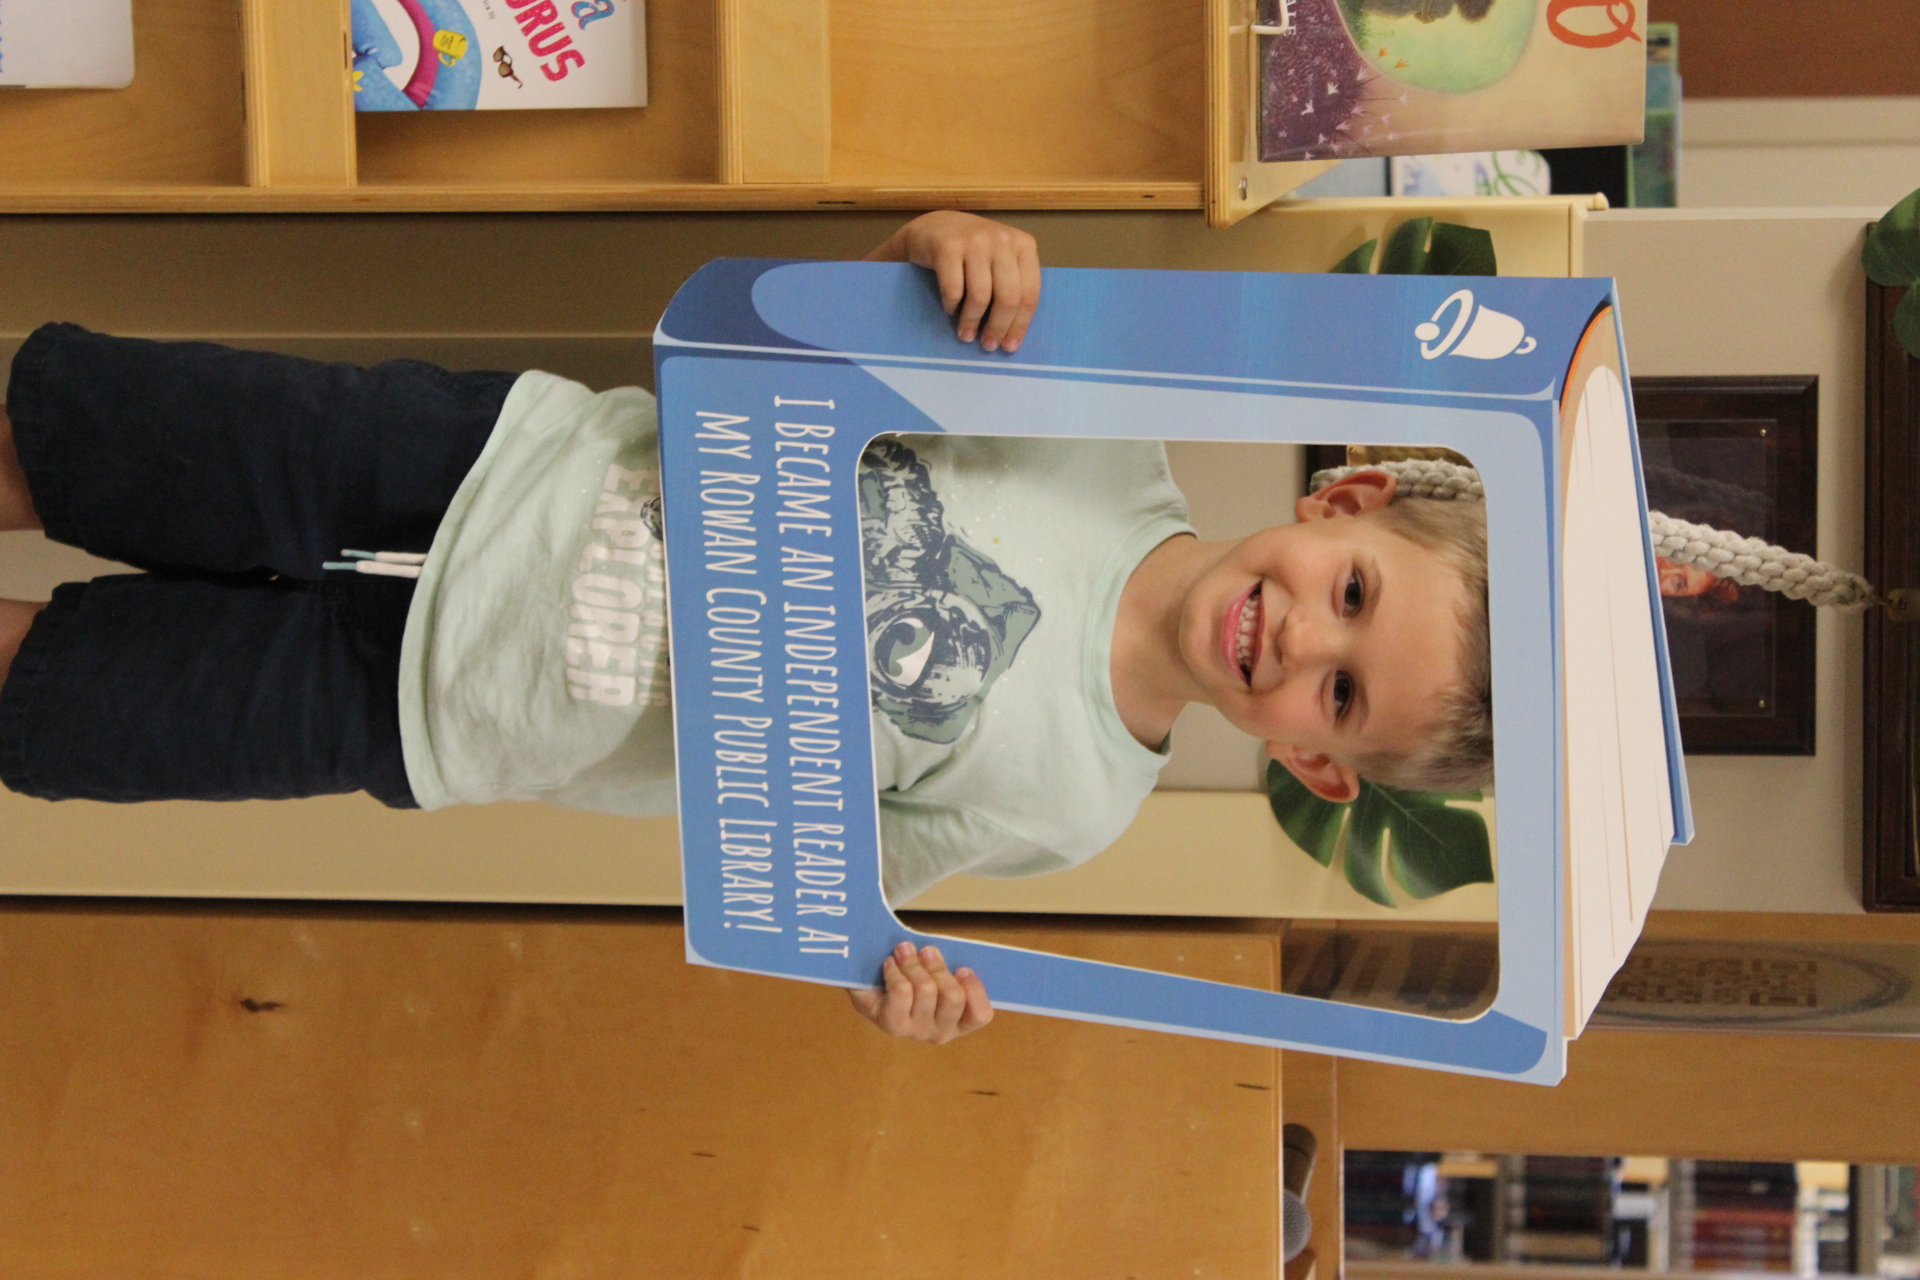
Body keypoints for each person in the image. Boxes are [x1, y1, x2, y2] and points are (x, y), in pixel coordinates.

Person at [0, 212, 1489, 1045]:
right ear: (1342, 498)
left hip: (437, 714)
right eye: (1350, 593)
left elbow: (830, 887)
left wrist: (887, 979)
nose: (1300, 643)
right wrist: (947, 250)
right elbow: (831, 330)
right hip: (468, 462)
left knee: (61, 704)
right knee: (72, 439)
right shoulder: (1095, 431)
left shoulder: (1077, 804)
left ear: (1321, 770)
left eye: (1342, 697)